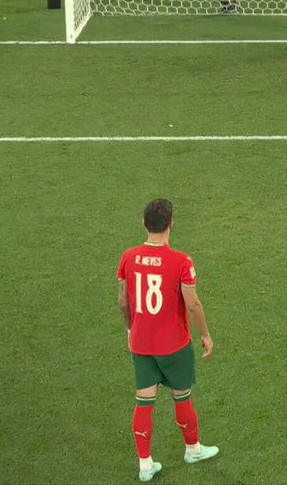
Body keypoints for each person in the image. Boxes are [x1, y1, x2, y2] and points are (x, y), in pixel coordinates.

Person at [117, 199, 218, 483]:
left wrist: (129, 329)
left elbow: (123, 299)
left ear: (143, 223)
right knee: (181, 396)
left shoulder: (128, 257)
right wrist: (205, 335)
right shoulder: (181, 261)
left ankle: (145, 464)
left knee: (144, 401)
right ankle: (193, 449)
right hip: (174, 345)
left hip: (141, 343)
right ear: (171, 225)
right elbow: (193, 304)